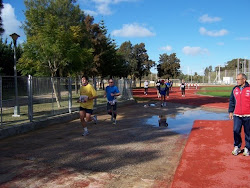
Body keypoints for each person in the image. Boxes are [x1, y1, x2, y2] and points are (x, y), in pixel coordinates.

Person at [229, 73, 250, 156]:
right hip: (237, 115)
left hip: (248, 115)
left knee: (248, 133)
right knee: (236, 130)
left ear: (244, 80)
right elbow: (231, 101)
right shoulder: (235, 89)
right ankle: (237, 146)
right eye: (236, 79)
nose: (237, 81)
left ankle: (247, 148)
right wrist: (231, 111)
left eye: (238, 79)